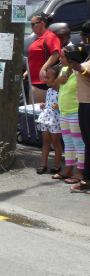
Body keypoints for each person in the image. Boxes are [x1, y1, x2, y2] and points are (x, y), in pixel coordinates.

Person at [66, 20, 90, 192]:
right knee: (87, 141)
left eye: (85, 35)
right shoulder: (86, 53)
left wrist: (80, 68)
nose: (83, 38)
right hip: (83, 102)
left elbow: (86, 71)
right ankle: (87, 179)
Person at [55, 51, 84, 183]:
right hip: (63, 112)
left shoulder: (80, 72)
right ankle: (69, 169)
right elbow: (56, 88)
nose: (60, 58)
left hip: (75, 112)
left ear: (71, 59)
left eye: (63, 56)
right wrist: (58, 81)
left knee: (79, 144)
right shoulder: (64, 70)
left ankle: (80, 171)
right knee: (68, 143)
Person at [25, 12, 61, 104]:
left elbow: (56, 54)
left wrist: (44, 68)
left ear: (42, 23)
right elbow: (36, 58)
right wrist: (28, 71)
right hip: (34, 80)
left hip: (42, 81)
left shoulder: (50, 36)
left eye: (33, 24)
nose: (31, 27)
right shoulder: (40, 37)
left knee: (36, 113)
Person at [36, 67, 63, 175]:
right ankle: (43, 164)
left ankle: (57, 165)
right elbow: (47, 102)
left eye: (48, 77)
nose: (45, 79)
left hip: (55, 119)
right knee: (46, 142)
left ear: (57, 79)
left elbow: (65, 104)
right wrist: (43, 105)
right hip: (46, 117)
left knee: (56, 142)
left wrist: (58, 106)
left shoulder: (61, 91)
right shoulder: (49, 90)